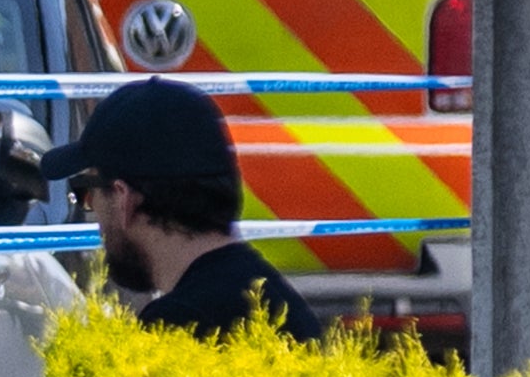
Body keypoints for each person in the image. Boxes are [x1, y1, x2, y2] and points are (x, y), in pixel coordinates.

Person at [39, 77, 321, 343]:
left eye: (86, 192)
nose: (92, 212)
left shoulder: (177, 325)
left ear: (124, 198)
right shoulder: (279, 301)